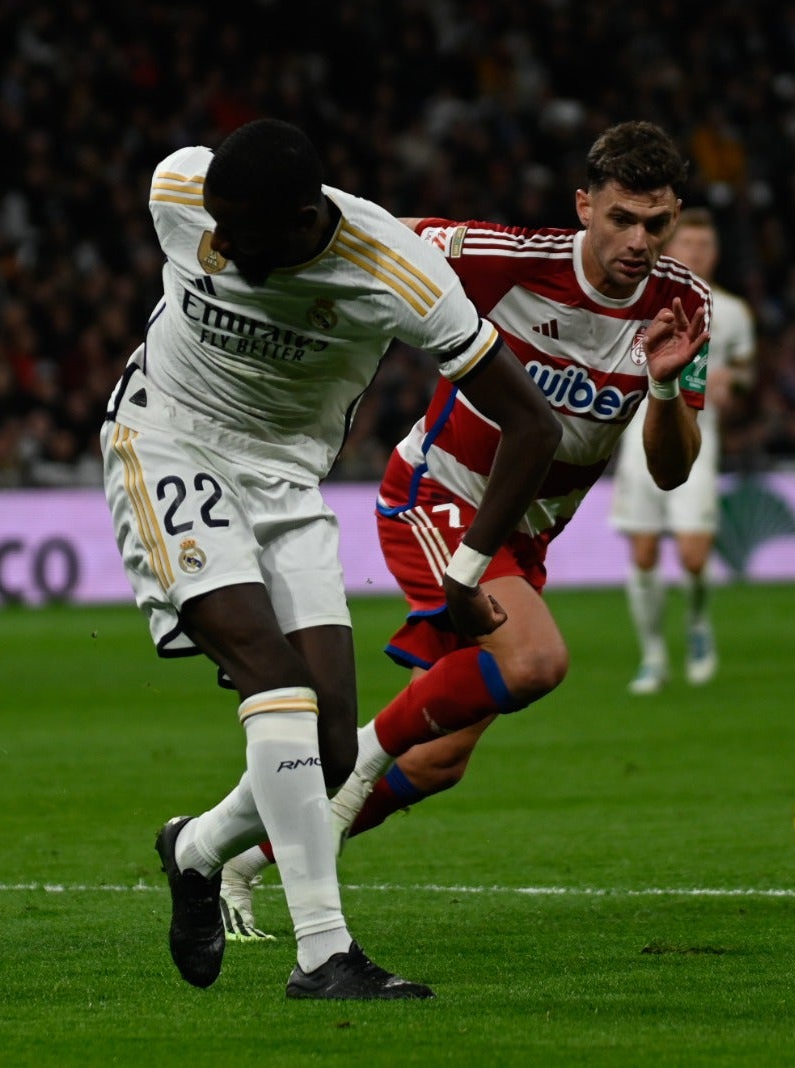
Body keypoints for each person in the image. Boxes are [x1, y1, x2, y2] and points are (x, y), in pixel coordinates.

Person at [215, 121, 712, 940]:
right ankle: (351, 765)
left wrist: (661, 390)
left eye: (657, 225)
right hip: (437, 495)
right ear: (584, 206)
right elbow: (373, 235)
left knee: (440, 760)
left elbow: (670, 469)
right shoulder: (504, 257)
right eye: (622, 218)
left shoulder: (682, 305)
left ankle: (246, 856)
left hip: (521, 539)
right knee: (536, 660)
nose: (638, 241)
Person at [101, 118, 560, 999]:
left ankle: (193, 849)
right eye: (216, 226)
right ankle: (323, 954)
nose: (220, 246)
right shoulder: (178, 191)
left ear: (305, 216)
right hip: (166, 444)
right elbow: (207, 213)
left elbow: (532, 422)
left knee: (334, 743)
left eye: (242, 234)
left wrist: (464, 572)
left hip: (285, 482)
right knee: (274, 680)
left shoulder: (397, 273)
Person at [610, 208, 755, 693]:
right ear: (671, 249)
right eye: (688, 244)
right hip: (636, 434)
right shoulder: (641, 296)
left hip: (697, 434)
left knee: (694, 556)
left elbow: (748, 372)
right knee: (645, 549)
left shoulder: (730, 311)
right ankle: (652, 655)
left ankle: (697, 624)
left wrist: (733, 380)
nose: (697, 252)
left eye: (705, 245)